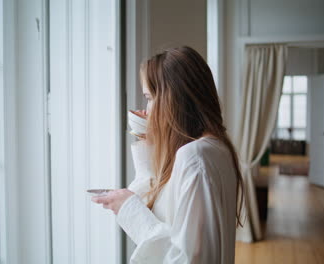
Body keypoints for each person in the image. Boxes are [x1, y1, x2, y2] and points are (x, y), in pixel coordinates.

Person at [91, 46, 243, 263]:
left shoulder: (194, 156)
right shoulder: (217, 149)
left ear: (172, 98)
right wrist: (148, 142)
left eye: (149, 98)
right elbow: (160, 199)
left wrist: (129, 210)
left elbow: (184, 259)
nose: (147, 110)